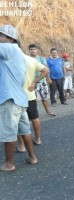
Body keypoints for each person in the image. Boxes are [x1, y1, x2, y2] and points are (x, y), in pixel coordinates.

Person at [0, 24, 37, 172]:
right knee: (24, 130)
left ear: (8, 38)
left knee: (8, 132)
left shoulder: (8, 48)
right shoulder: (19, 53)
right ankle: (32, 157)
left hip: (10, 99)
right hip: (20, 98)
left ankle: (9, 164)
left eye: (0, 35)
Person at [17, 54, 49, 152]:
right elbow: (46, 70)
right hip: (30, 94)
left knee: (17, 121)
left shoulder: (9, 58)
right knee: (35, 117)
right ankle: (38, 139)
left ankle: (21, 146)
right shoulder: (31, 59)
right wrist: (34, 81)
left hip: (16, 96)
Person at [28, 44, 56, 116]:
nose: (33, 51)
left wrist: (48, 78)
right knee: (32, 99)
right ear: (29, 50)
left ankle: (48, 112)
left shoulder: (41, 59)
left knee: (45, 98)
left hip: (42, 82)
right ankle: (33, 115)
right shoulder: (27, 59)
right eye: (31, 49)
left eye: (34, 49)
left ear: (37, 50)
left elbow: (46, 69)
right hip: (33, 82)